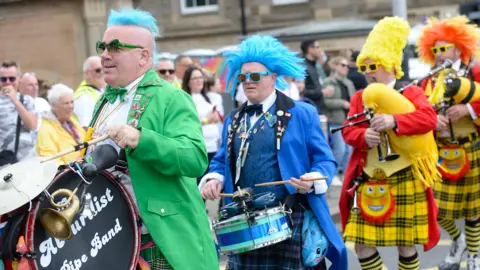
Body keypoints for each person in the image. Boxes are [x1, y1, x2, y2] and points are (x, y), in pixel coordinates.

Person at [199, 35, 347, 270]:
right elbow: (221, 161)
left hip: (289, 215)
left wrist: (312, 180)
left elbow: (325, 159)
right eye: (243, 77)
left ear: (274, 78)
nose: (248, 81)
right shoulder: (233, 119)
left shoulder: (301, 113)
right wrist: (214, 178)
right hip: (243, 222)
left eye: (255, 76)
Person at [88, 8, 218, 270]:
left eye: (114, 47)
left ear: (143, 56)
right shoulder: (104, 101)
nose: (104, 54)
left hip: (160, 235)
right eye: (102, 46)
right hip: (111, 235)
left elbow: (194, 158)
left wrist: (140, 139)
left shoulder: (171, 97)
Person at [339, 17, 441, 270]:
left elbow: (428, 119)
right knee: (361, 246)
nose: (368, 73)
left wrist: (395, 120)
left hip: (404, 174)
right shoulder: (359, 97)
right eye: (364, 68)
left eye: (373, 66)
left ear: (392, 67)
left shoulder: (410, 92)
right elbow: (348, 131)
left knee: (406, 245)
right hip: (370, 176)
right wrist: (363, 137)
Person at [417, 16, 480, 270]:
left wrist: (469, 110)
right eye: (436, 49)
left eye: (444, 48)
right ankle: (458, 240)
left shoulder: (474, 72)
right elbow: (420, 112)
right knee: (438, 209)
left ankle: (474, 258)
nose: (440, 54)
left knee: (473, 211)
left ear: (457, 48)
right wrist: (432, 121)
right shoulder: (427, 80)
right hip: (442, 151)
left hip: (471, 147)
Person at [36, 84, 85, 165]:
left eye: (72, 102)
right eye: (66, 103)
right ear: (54, 106)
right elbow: (50, 161)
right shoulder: (46, 129)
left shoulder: (72, 122)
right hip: (69, 175)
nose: (71, 106)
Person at [0, 61, 38, 166]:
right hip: (4, 164)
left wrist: (15, 101)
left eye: (11, 78)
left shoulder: (27, 100)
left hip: (26, 162)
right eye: (3, 79)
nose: (7, 82)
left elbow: (33, 125)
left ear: (18, 78)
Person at [74, 56, 106, 129]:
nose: (102, 73)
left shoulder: (98, 91)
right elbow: (86, 127)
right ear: (86, 74)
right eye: (98, 70)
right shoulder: (84, 97)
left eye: (104, 69)